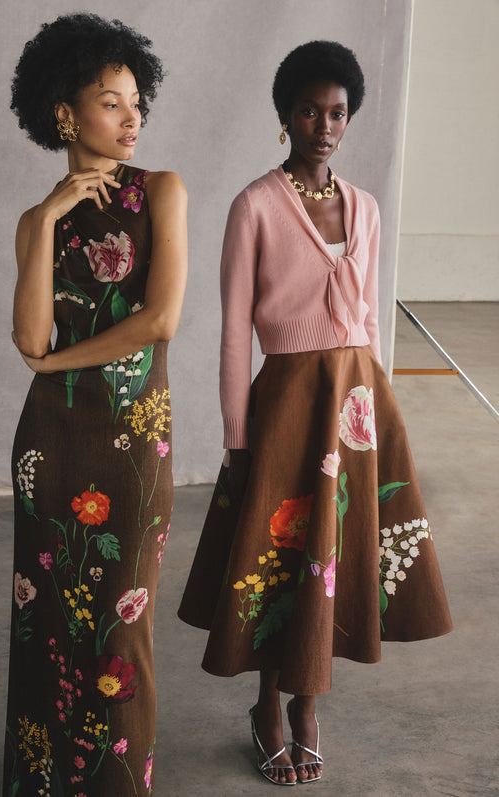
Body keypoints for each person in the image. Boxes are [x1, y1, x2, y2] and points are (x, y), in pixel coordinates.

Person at [178, 40, 451, 786]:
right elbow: (235, 326)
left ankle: (307, 706)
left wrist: (380, 407)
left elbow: (362, 316)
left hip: (357, 406)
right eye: (308, 110)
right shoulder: (255, 206)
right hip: (290, 406)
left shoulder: (364, 206)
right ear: (284, 117)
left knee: (337, 559)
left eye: (336, 112)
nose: (323, 125)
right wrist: (237, 431)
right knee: (282, 561)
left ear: (349, 117)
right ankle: (268, 703)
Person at [4, 14, 187, 795]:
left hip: (132, 445)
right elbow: (29, 334)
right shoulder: (35, 220)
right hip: (49, 447)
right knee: (45, 625)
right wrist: (48, 218)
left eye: (137, 100)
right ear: (65, 112)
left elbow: (159, 321)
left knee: (122, 625)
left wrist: (60, 363)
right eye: (112, 101)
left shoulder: (163, 193)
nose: (132, 115)